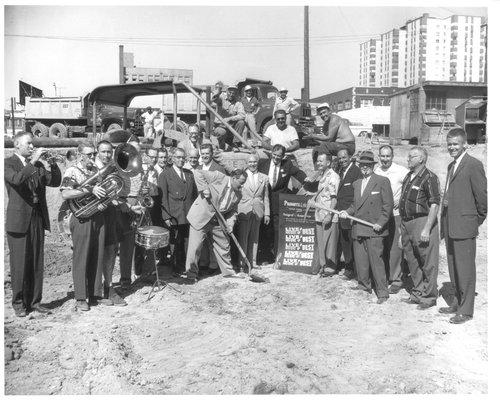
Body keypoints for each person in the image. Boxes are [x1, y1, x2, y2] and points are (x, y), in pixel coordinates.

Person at [5, 132, 62, 317]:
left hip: (37, 217)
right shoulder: (8, 163)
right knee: (19, 263)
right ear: (17, 145)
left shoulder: (36, 165)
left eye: (32, 144)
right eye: (29, 144)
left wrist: (52, 163)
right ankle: (19, 303)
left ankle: (35, 301)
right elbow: (17, 180)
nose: (32, 147)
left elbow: (54, 181)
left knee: (36, 261)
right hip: (18, 221)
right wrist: (34, 160)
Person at [440, 128, 487, 324]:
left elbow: (482, 200)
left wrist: (473, 221)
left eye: (455, 144)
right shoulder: (452, 165)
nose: (452, 147)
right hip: (451, 225)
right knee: (453, 267)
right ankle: (458, 302)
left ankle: (466, 310)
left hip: (465, 226)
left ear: (464, 144)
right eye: (449, 144)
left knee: (465, 269)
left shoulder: (473, 164)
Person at [60, 142, 109, 311]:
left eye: (92, 153)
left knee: (97, 255)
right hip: (81, 218)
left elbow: (102, 192)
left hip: (97, 216)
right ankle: (80, 297)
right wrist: (89, 190)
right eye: (88, 154)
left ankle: (95, 294)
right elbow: (65, 193)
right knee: (81, 257)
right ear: (80, 155)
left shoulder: (95, 170)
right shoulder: (72, 171)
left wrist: (103, 203)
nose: (91, 157)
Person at [339, 150, 393, 304]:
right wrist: (346, 212)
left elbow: (387, 206)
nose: (364, 167)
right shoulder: (356, 184)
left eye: (368, 165)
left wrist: (381, 223)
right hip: (358, 227)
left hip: (374, 229)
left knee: (376, 262)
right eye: (362, 165)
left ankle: (382, 292)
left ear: (372, 165)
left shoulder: (382, 181)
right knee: (361, 261)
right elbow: (354, 205)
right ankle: (364, 285)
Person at [184, 169, 247, 283]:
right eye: (241, 182)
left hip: (217, 219)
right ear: (234, 178)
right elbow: (198, 172)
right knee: (195, 247)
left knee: (224, 245)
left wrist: (230, 224)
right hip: (201, 216)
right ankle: (191, 275)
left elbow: (233, 212)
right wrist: (204, 188)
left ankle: (228, 272)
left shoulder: (238, 194)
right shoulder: (219, 177)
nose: (242, 186)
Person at [399, 147, 441, 310]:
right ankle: (417, 292)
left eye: (411, 156)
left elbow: (434, 204)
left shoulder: (429, 177)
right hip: (406, 223)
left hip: (422, 222)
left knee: (428, 262)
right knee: (412, 260)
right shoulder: (409, 176)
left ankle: (429, 297)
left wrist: (426, 229)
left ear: (422, 159)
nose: (408, 159)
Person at [257, 144, 306, 263]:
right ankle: (265, 255)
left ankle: (278, 255)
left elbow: (299, 174)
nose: (276, 157)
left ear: (283, 156)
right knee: (265, 228)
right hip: (265, 200)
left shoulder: (287, 165)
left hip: (279, 202)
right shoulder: (263, 163)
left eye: (279, 156)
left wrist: (308, 181)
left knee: (277, 229)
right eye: (274, 155)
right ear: (271, 153)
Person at [93, 140, 127, 306]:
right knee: (96, 252)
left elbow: (121, 190)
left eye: (109, 152)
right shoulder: (90, 168)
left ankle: (109, 287)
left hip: (111, 213)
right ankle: (94, 290)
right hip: (94, 214)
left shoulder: (115, 169)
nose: (107, 155)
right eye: (103, 152)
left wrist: (117, 199)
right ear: (97, 152)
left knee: (111, 250)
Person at [374, 145, 409, 294]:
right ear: (379, 156)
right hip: (380, 216)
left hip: (395, 214)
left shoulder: (401, 171)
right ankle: (385, 275)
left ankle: (396, 279)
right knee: (382, 246)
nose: (385, 159)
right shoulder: (376, 170)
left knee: (395, 248)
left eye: (388, 156)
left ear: (392, 156)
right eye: (382, 156)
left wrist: (401, 198)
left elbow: (410, 184)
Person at [158, 148, 198, 274]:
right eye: (178, 157)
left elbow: (194, 195)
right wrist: (166, 216)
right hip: (174, 215)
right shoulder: (165, 174)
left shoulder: (189, 174)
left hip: (188, 215)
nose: (181, 160)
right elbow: (163, 197)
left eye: (183, 157)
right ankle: (176, 267)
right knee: (175, 243)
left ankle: (188, 267)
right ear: (173, 158)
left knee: (188, 242)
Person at [115, 135, 146, 289]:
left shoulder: (140, 168)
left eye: (138, 152)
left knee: (135, 245)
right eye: (132, 151)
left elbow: (142, 189)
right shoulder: (118, 166)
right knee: (121, 246)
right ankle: (123, 278)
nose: (135, 155)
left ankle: (136, 275)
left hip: (137, 205)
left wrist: (142, 198)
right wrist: (127, 205)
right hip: (122, 205)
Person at [307, 153, 340, 277]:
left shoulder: (333, 177)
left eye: (321, 161)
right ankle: (323, 265)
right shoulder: (322, 175)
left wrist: (329, 215)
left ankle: (330, 268)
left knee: (329, 243)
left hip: (328, 215)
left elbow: (334, 198)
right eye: (318, 161)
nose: (319, 163)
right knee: (321, 242)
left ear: (328, 163)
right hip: (320, 214)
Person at [236, 154, 270, 272]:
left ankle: (253, 262)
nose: (252, 164)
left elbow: (266, 197)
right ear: (247, 163)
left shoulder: (264, 177)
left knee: (255, 238)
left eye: (255, 162)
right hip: (244, 210)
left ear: (258, 163)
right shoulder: (240, 176)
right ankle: (242, 263)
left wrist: (267, 214)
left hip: (258, 211)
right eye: (250, 162)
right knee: (243, 238)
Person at [335, 149, 363, 280]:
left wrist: (352, 212)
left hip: (350, 214)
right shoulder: (340, 171)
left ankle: (354, 270)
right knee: (345, 241)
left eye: (344, 157)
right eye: (340, 158)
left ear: (350, 157)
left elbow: (358, 194)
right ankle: (348, 267)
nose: (342, 160)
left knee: (352, 243)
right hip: (341, 213)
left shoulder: (356, 171)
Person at [212, 85, 246, 150]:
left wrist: (230, 118)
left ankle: (235, 144)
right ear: (227, 92)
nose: (231, 94)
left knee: (241, 122)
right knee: (222, 132)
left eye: (233, 93)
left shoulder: (238, 103)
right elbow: (214, 99)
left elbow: (242, 115)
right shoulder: (221, 99)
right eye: (230, 92)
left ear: (235, 94)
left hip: (231, 128)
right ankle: (222, 146)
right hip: (220, 126)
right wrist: (217, 92)